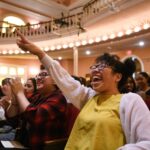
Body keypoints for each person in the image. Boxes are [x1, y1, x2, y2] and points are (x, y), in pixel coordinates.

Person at [16, 31, 150, 150]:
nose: (95, 69)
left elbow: (147, 142)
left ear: (117, 76)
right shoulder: (89, 98)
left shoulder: (130, 100)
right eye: (94, 66)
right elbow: (65, 80)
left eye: (102, 66)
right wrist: (39, 53)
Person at [5, 68, 68, 149]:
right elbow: (12, 118)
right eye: (37, 75)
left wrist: (20, 93)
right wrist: (14, 97)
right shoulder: (37, 97)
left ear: (55, 80)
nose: (38, 78)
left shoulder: (58, 98)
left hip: (41, 146)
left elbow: (33, 116)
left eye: (44, 75)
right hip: (22, 142)